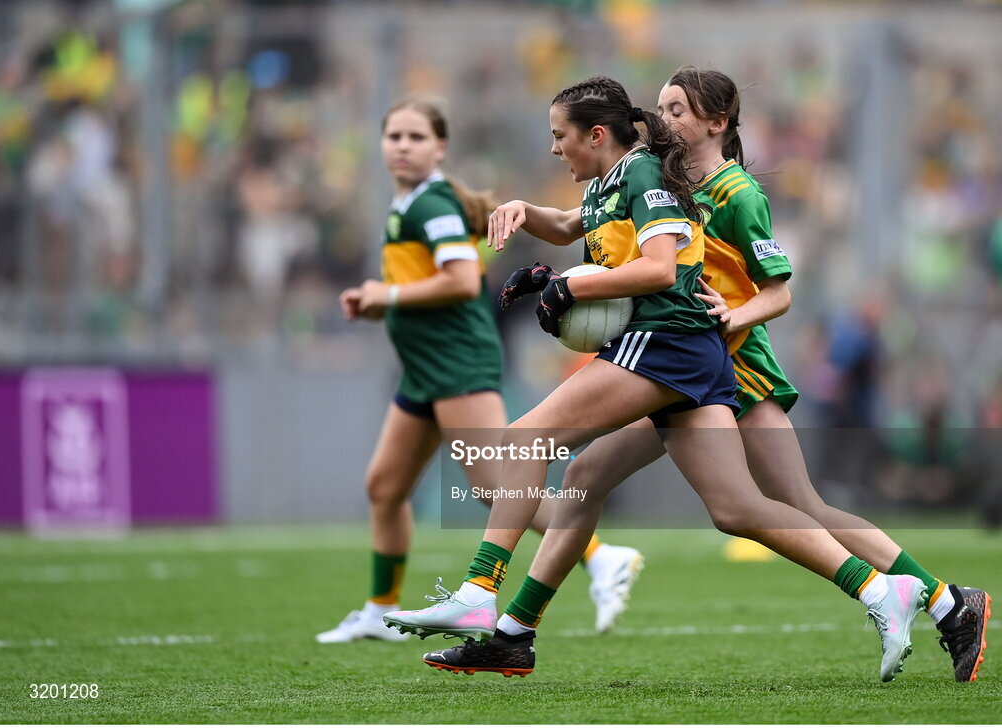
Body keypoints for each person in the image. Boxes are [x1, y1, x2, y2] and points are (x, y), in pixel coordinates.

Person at [407, 69, 992, 684]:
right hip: (686, 357)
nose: (664, 119)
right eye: (660, 107)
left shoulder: (735, 193)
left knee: (793, 502)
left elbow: (777, 291)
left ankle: (944, 601)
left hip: (728, 364)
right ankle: (514, 632)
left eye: (678, 109)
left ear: (717, 123)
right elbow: (590, 229)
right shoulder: (659, 177)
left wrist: (728, 312)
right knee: (623, 482)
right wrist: (533, 221)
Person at [317, 99, 642, 643]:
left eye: (416, 137)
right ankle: (379, 608)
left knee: (498, 482)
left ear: (440, 147)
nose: (402, 145)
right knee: (385, 486)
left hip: (457, 363)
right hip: (425, 368)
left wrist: (386, 295)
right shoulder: (410, 203)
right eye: (393, 135)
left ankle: (600, 556)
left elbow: (464, 280)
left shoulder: (433, 205)